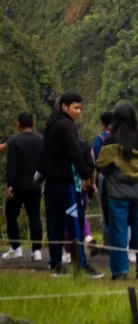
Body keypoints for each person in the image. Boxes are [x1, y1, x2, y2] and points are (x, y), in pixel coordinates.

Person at [40, 90, 102, 278]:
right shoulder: (66, 125)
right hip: (65, 183)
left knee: (55, 224)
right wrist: (85, 176)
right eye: (75, 108)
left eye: (80, 108)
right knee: (74, 223)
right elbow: (75, 152)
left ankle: (56, 264)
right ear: (64, 106)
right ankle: (81, 265)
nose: (78, 112)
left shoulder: (51, 124)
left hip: (51, 184)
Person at [97, 102, 138, 280]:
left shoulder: (110, 141)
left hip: (118, 194)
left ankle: (120, 271)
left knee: (118, 232)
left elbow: (101, 165)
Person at [2, 113, 44, 261]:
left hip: (18, 185)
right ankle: (37, 250)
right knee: (34, 216)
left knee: (11, 215)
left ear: (18, 124)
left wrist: (10, 186)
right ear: (33, 123)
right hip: (36, 185)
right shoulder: (41, 140)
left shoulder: (14, 141)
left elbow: (11, 166)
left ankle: (16, 248)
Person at [93, 111, 113, 248]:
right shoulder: (121, 137)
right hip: (119, 176)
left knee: (104, 209)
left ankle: (107, 244)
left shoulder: (99, 139)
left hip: (103, 177)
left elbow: (95, 161)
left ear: (102, 124)